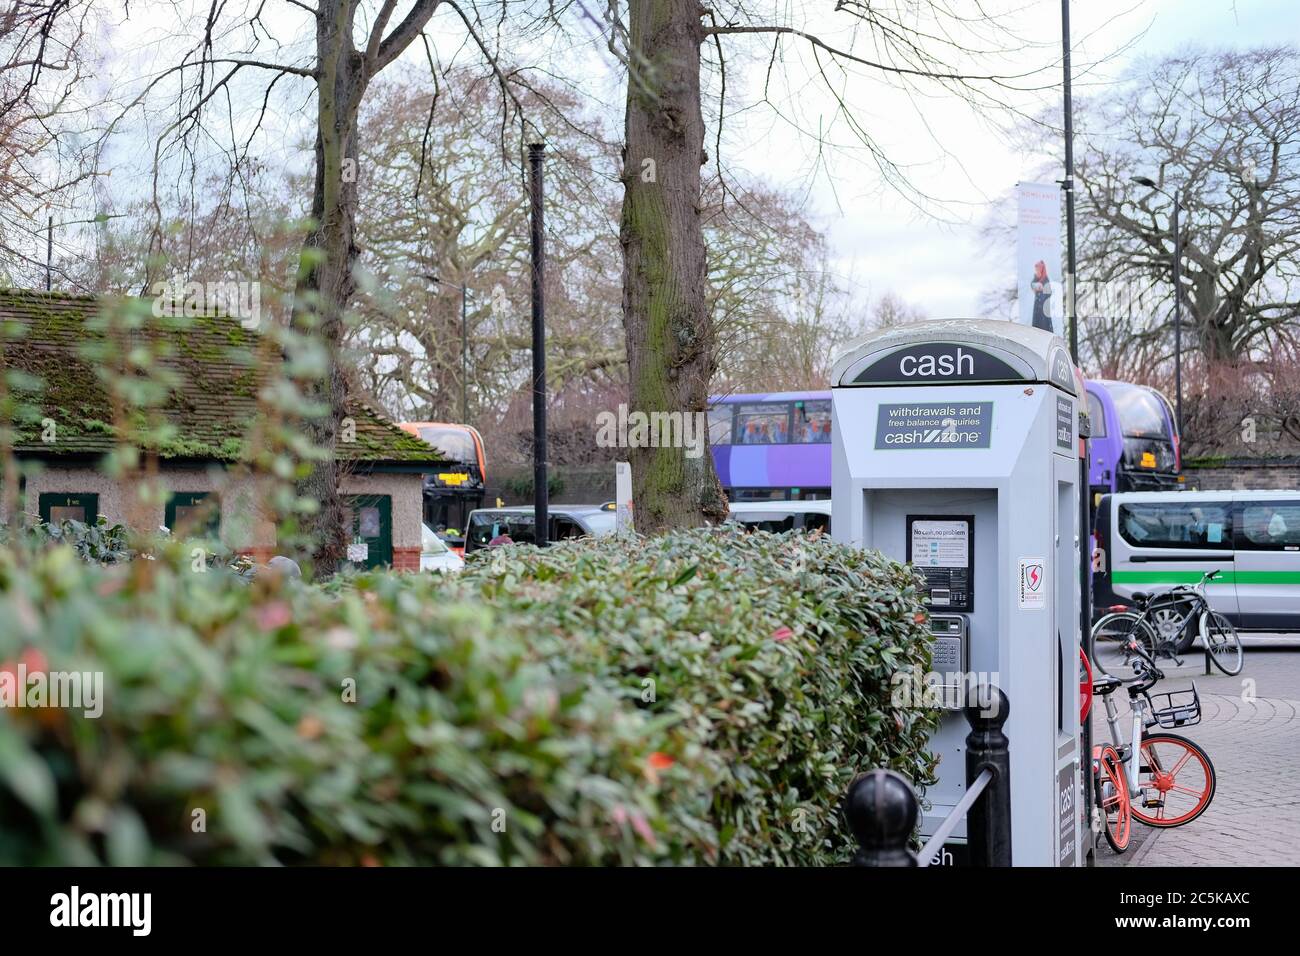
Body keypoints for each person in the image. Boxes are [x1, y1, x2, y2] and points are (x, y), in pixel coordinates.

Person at [1030, 260, 1054, 333]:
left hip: (1044, 307)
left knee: (1044, 325)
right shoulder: (1036, 278)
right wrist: (1037, 286)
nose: (1036, 270)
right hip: (1038, 306)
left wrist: (1042, 289)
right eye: (1036, 269)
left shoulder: (1045, 279)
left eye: (1038, 269)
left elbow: (1049, 292)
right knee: (1037, 325)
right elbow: (1032, 284)